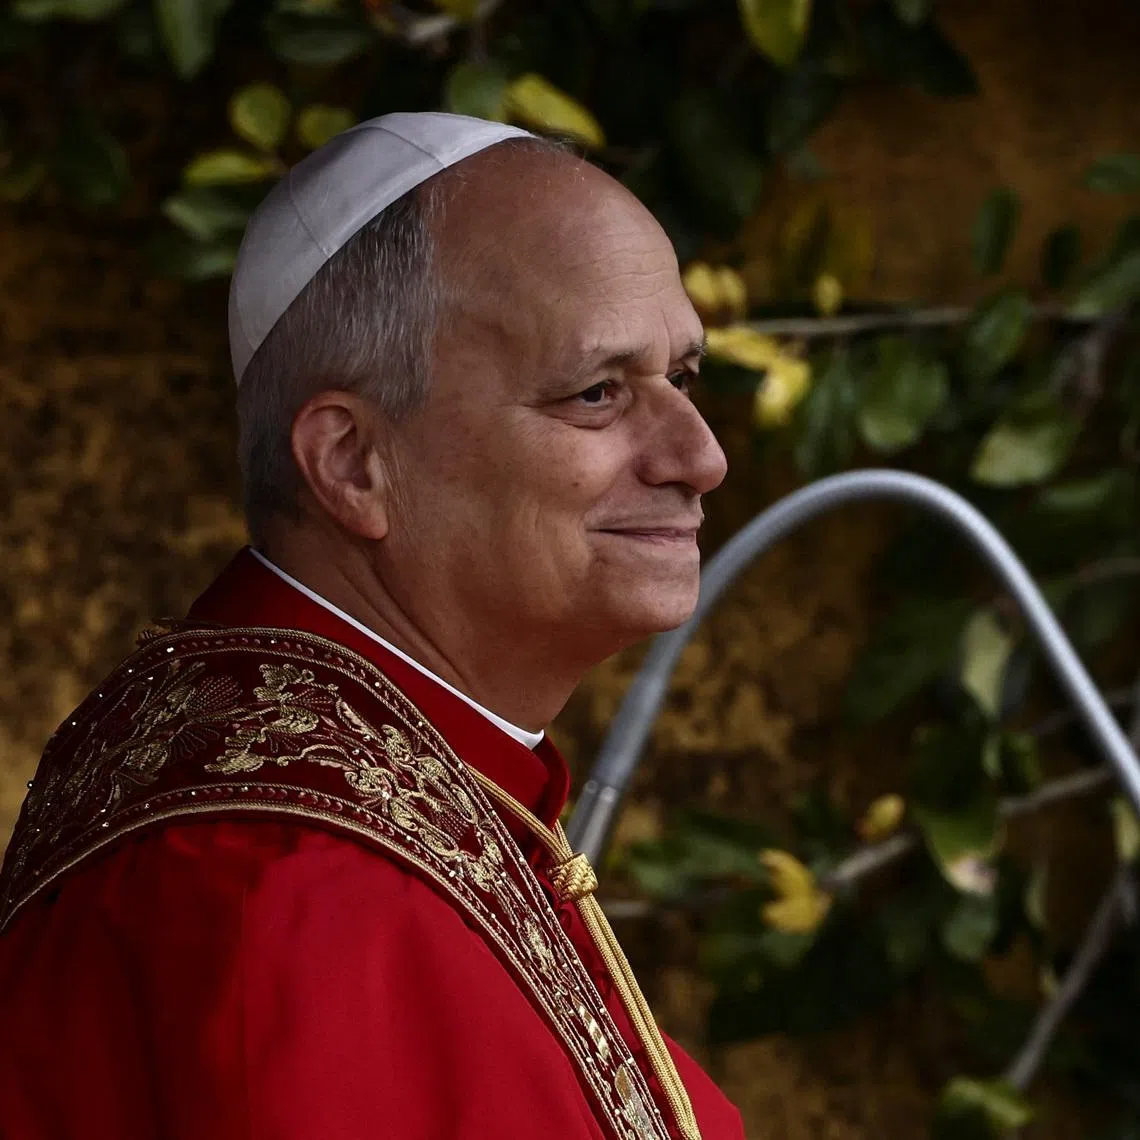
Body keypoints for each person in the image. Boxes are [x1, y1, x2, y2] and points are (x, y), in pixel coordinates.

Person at [0, 112, 740, 1140]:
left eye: (685, 377)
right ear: (352, 462)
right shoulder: (286, 884)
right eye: (598, 392)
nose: (700, 457)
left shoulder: (418, 796)